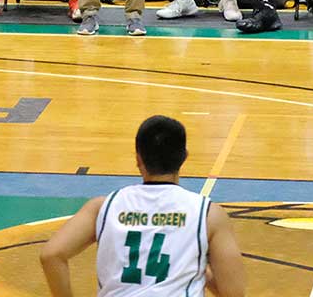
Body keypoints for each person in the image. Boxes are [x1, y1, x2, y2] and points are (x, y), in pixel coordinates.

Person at [40, 115, 246, 297]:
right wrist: (198, 267)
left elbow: (51, 255)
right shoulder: (208, 214)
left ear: (138, 159)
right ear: (184, 157)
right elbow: (234, 293)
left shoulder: (103, 207)